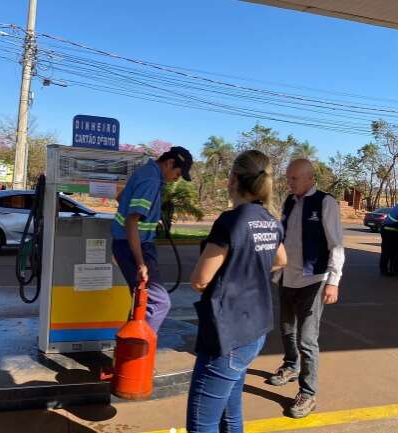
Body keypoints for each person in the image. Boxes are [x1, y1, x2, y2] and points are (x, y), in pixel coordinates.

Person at [186, 150, 287, 433]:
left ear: (233, 179)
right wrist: (248, 272)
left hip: (226, 334)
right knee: (231, 415)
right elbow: (281, 260)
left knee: (201, 423)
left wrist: (235, 276)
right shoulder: (271, 220)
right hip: (254, 331)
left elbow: (200, 280)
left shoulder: (231, 221)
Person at [268, 158, 344, 419]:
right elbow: (284, 238)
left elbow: (336, 245)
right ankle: (290, 366)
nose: (289, 182)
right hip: (287, 278)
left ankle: (308, 393)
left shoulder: (326, 202)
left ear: (310, 178)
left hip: (314, 279)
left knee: (307, 339)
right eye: (288, 178)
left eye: (294, 178)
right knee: (287, 329)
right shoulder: (290, 201)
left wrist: (333, 281)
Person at [111, 146, 193, 333]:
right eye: (178, 174)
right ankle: (139, 353)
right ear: (170, 163)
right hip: (135, 246)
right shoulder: (151, 180)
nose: (176, 179)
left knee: (141, 301)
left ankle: (126, 350)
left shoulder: (147, 173)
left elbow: (122, 197)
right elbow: (132, 222)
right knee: (158, 302)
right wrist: (140, 263)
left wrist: (148, 216)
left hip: (127, 244)